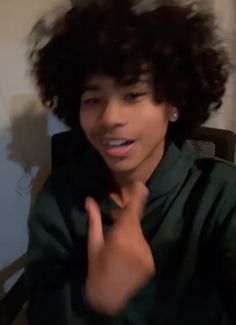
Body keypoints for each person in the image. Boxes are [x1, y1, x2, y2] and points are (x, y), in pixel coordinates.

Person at [25, 0, 236, 324]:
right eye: (93, 99)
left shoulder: (221, 195)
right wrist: (93, 298)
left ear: (174, 104)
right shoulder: (60, 197)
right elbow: (41, 310)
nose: (109, 118)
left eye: (132, 95)